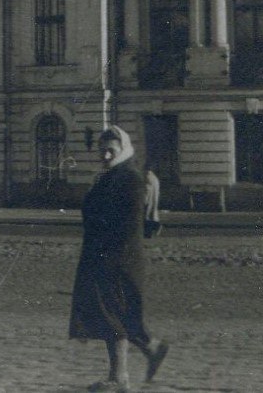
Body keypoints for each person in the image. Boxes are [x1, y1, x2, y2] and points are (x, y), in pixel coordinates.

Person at [69, 126, 170, 393]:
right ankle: (151, 350)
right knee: (116, 313)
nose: (104, 154)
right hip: (107, 254)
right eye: (101, 149)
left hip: (117, 256)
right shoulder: (113, 175)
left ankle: (119, 377)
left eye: (110, 150)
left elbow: (128, 223)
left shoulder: (129, 177)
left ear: (122, 148)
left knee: (112, 314)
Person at [143, 167, 161, 239]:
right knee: (151, 214)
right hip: (153, 197)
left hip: (149, 197)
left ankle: (151, 230)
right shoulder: (154, 178)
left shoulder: (148, 177)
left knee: (147, 214)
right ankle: (155, 227)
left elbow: (147, 191)